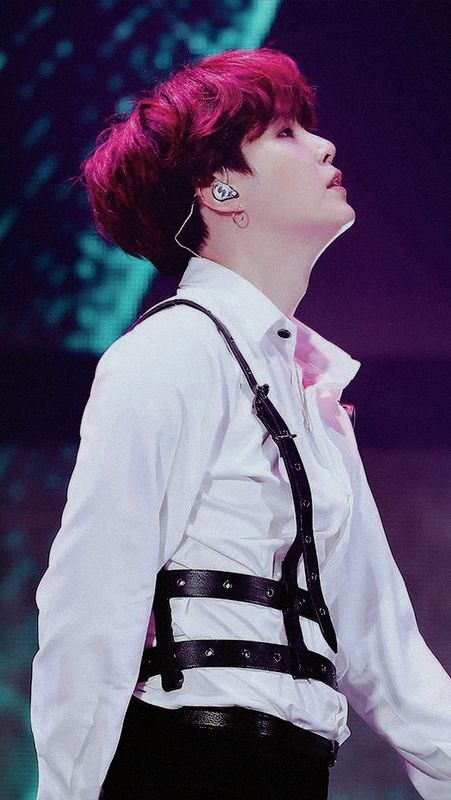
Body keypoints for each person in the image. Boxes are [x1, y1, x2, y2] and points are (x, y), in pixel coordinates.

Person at [30, 47, 451, 800]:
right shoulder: (168, 353)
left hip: (291, 771)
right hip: (182, 759)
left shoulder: (312, 394)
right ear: (221, 189)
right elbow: (91, 603)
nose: (324, 146)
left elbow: (383, 648)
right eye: (286, 133)